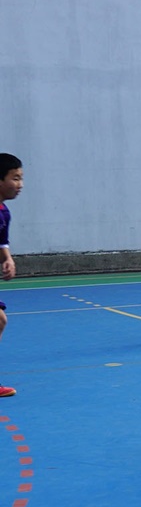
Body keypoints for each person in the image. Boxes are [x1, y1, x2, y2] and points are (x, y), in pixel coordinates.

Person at [0, 153, 24, 398]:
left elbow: (1, 242)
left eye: (21, 178)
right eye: (15, 178)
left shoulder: (4, 213)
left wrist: (7, 259)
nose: (20, 184)